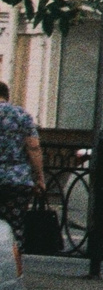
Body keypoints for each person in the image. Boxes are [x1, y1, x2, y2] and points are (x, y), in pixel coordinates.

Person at [0, 79, 45, 241]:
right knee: (14, 229)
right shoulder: (22, 115)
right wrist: (39, 178)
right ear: (7, 96)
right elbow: (33, 147)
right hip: (18, 180)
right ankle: (13, 262)